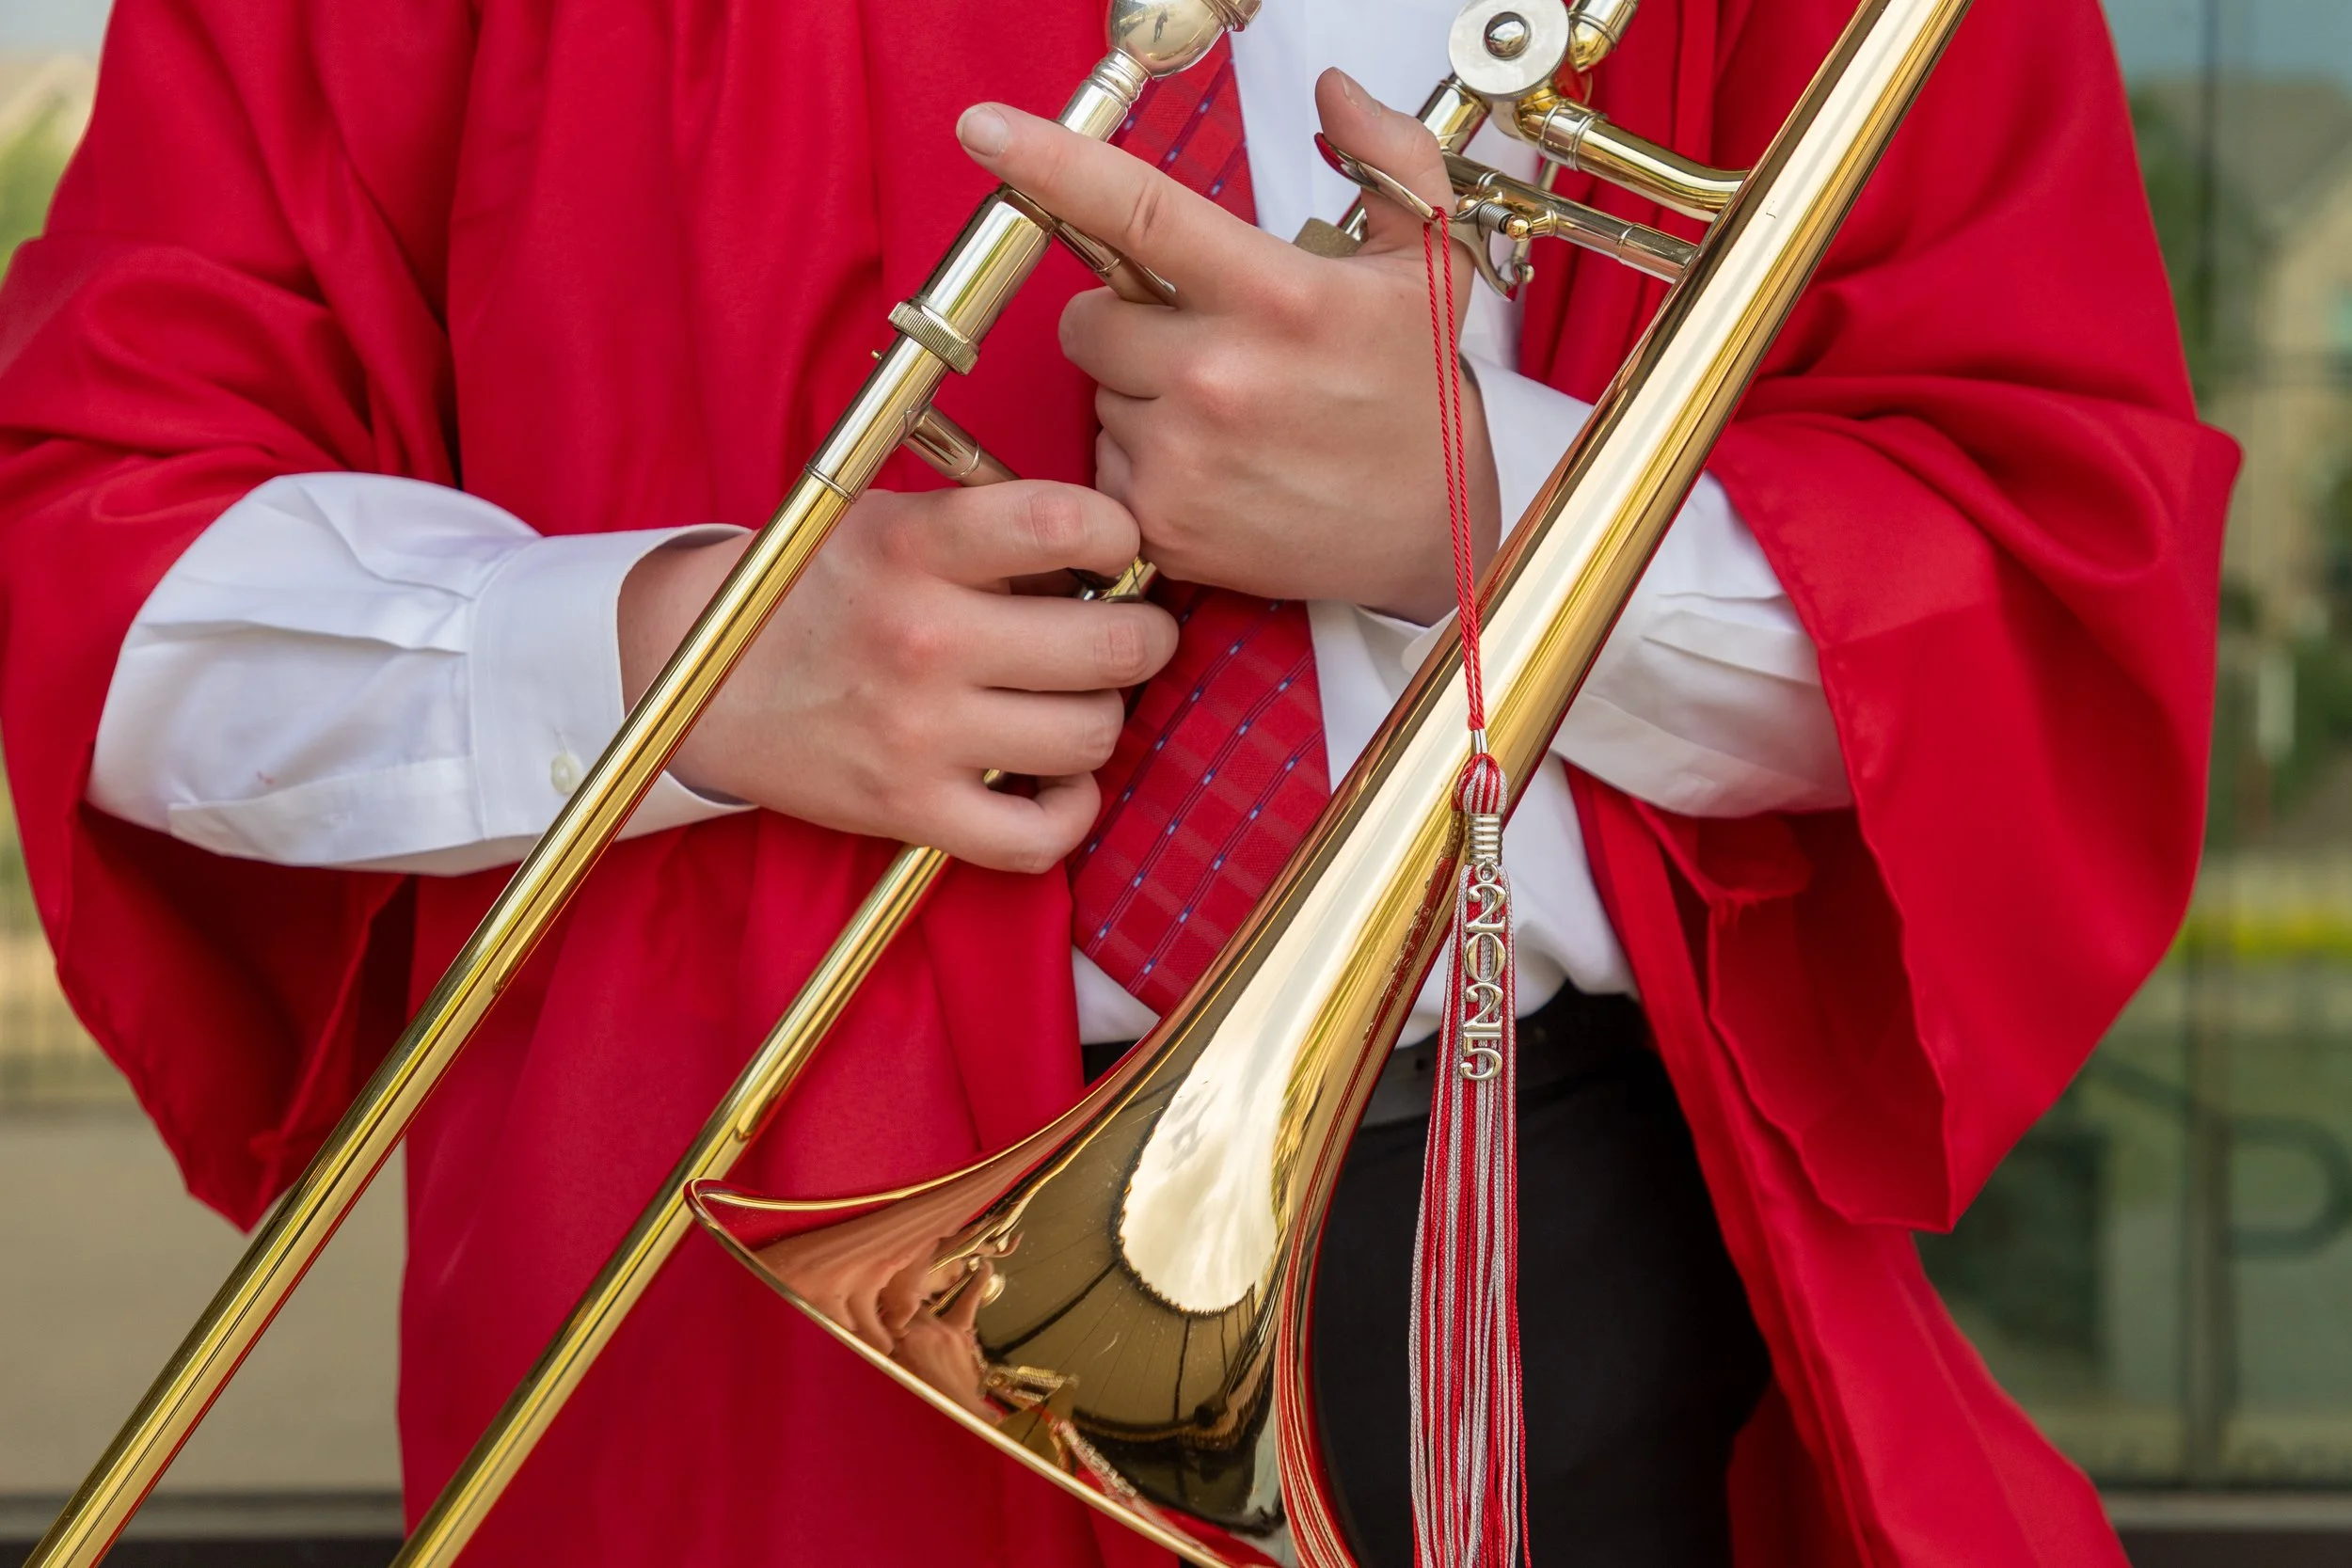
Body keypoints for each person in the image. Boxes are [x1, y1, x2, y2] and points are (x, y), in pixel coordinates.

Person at [0, 0, 2230, 1563]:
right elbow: (86, 552)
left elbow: (2039, 591)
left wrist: (1495, 510)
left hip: (1547, 1267)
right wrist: (674, 653)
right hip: (735, 1274)